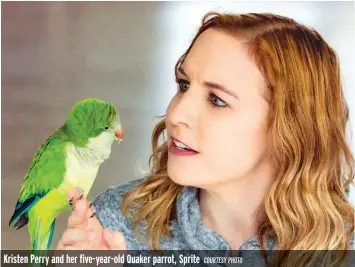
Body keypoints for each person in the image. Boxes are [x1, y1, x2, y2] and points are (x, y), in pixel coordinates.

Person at [57, 11, 355, 266]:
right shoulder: (115, 222)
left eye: (217, 100)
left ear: (291, 128)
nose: (176, 114)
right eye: (184, 85)